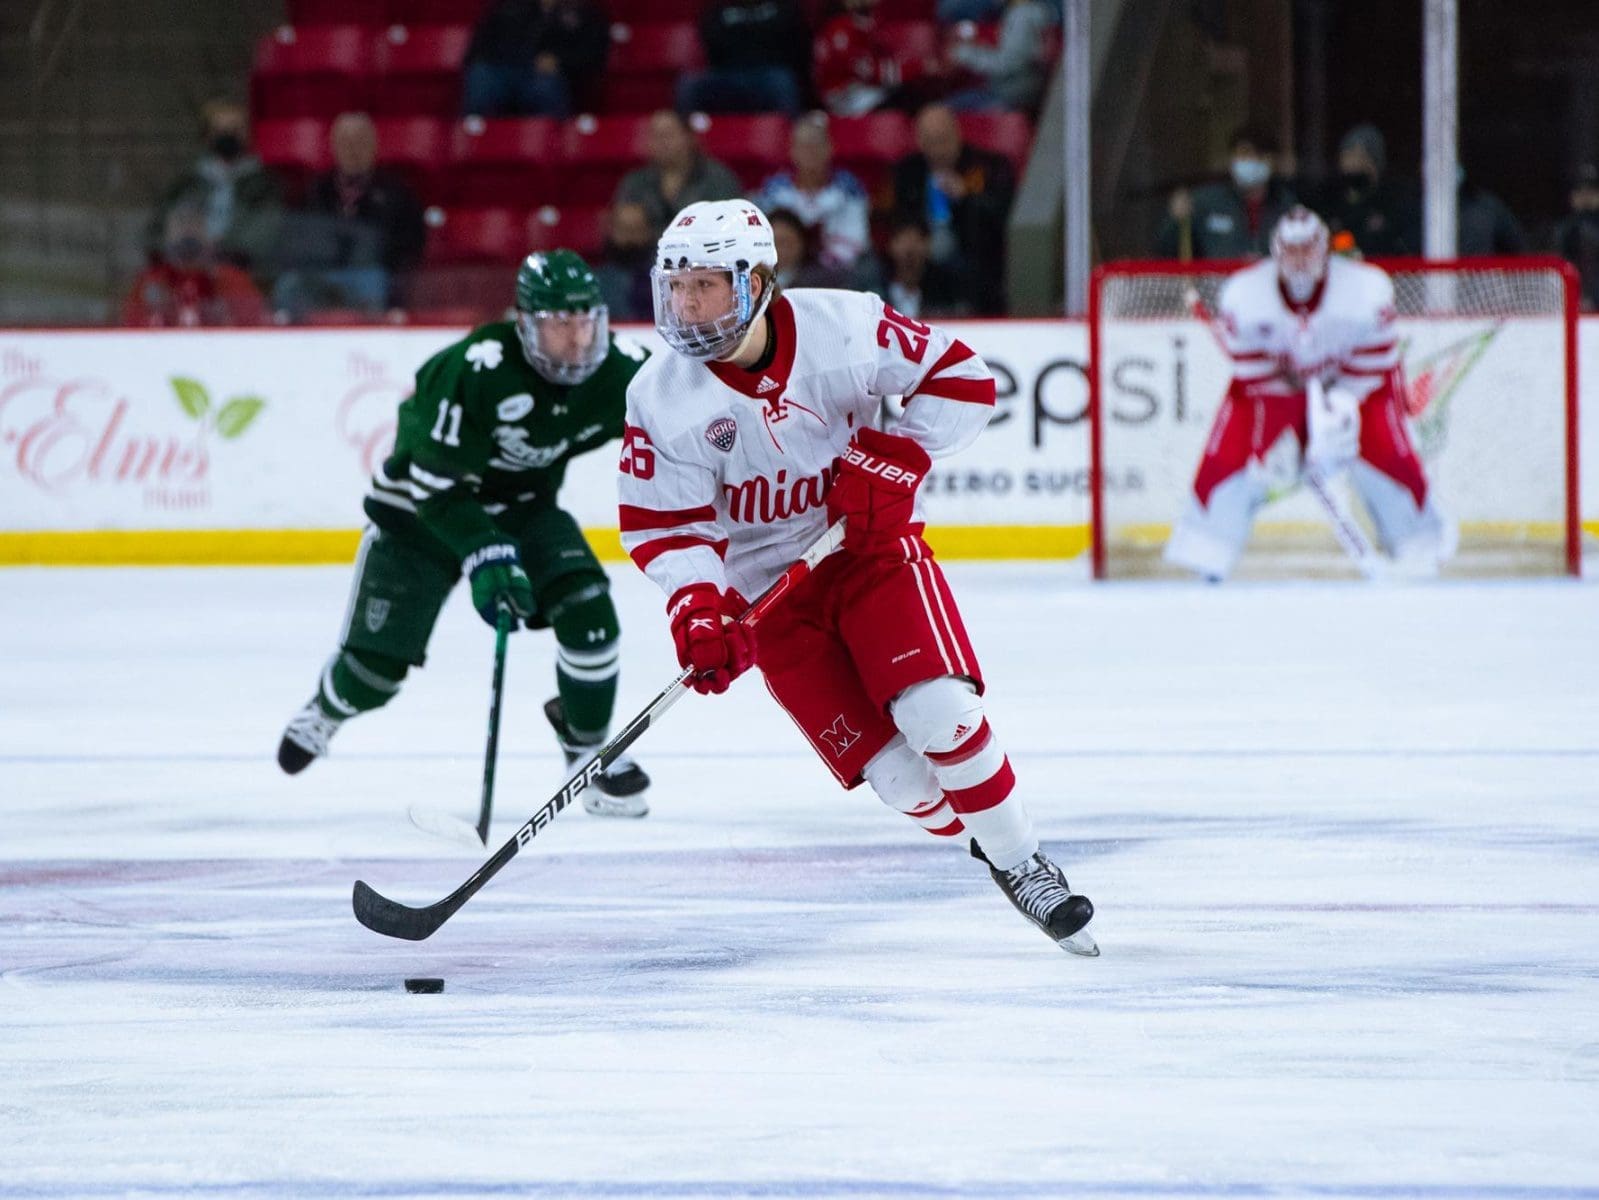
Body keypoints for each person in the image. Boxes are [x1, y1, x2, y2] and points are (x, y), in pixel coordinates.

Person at [616, 198, 1097, 954]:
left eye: (704, 285)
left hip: (870, 555)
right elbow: (664, 524)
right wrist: (698, 609)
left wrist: (897, 454)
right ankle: (981, 830)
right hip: (770, 598)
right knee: (903, 781)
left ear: (758, 282)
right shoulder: (658, 396)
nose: (684, 305)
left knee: (939, 712)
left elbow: (962, 378)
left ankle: (1023, 863)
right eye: (675, 286)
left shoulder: (843, 326)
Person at [277, 250, 653, 818]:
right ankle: (328, 708)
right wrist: (487, 556)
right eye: (559, 325)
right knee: (373, 675)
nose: (577, 341)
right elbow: (437, 489)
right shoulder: (472, 369)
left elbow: (687, 415)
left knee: (588, 609)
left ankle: (586, 752)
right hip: (419, 518)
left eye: (586, 322)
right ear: (525, 324)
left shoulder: (623, 371)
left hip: (523, 507)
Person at [1165, 207, 1454, 581]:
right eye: (1291, 249)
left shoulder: (1365, 291)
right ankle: (1206, 551)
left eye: (1308, 249)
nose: (1300, 260)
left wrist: (1342, 407)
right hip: (1275, 386)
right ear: (1275, 251)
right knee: (1226, 460)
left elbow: (1378, 358)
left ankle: (1419, 545)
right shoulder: (1245, 295)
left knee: (1391, 457)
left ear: (1325, 251)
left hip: (1357, 384)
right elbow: (1250, 368)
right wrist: (1282, 436)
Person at [272, 113, 427, 320]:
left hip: (372, 275)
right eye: (345, 141)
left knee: (374, 283)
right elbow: (295, 239)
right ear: (333, 146)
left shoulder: (396, 193)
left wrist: (382, 258)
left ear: (374, 145)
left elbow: (412, 242)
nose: (352, 148)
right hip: (321, 273)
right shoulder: (314, 190)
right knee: (289, 284)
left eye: (360, 141)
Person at [889, 104, 1015, 314]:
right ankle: (906, 314)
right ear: (920, 141)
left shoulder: (989, 166)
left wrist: (965, 196)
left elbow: (1000, 213)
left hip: (971, 248)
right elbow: (898, 214)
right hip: (925, 246)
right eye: (931, 142)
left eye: (943, 140)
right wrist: (909, 234)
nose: (939, 149)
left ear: (957, 133)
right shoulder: (907, 171)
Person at [146, 99, 283, 280]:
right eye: (220, 131)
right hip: (184, 272)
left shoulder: (263, 185)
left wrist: (219, 249)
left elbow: (264, 233)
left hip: (242, 276)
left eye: (235, 130)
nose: (228, 136)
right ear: (207, 135)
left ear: (248, 134)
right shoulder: (187, 183)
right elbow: (155, 232)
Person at [1155, 127, 1297, 261]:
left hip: (1267, 285)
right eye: (1245, 155)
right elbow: (1167, 251)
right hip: (1217, 285)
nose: (1251, 161)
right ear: (1231, 159)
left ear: (1273, 162)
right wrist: (1176, 221)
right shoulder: (1206, 202)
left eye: (1259, 156)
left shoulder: (1287, 206)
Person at [755, 113, 872, 275]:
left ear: (830, 148)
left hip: (838, 274)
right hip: (783, 273)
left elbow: (855, 241)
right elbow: (763, 240)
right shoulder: (774, 190)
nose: (810, 153)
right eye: (803, 146)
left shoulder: (849, 189)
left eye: (816, 145)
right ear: (792, 150)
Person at [122, 204, 268, 328]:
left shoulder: (234, 280)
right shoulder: (149, 283)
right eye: (180, 223)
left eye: (195, 223)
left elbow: (254, 327)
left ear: (211, 236)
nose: (187, 231)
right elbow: (132, 329)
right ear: (167, 237)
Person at [460, 0, 610, 119]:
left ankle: (548, 145)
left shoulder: (587, 14)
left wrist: (560, 61)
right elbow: (480, 44)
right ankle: (475, 142)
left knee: (547, 88)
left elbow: (593, 56)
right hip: (502, 69)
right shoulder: (509, 6)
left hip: (548, 76)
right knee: (481, 78)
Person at [611, 110, 743, 237]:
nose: (661, 142)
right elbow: (616, 236)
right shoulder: (635, 182)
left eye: (668, 135)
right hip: (643, 257)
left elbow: (732, 226)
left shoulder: (718, 178)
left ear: (689, 137)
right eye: (655, 135)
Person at [676, 0, 810, 117]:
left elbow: (795, 42)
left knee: (784, 82)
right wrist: (758, 35)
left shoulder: (782, 6)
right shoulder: (719, 7)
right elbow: (711, 40)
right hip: (727, 74)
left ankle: (795, 138)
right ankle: (686, 141)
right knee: (689, 85)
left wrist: (743, 34)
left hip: (769, 75)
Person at [812, 0, 942, 118]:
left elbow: (881, 62)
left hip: (866, 91)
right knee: (914, 104)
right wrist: (921, 67)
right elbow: (875, 73)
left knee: (917, 95)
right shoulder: (840, 32)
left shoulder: (860, 22)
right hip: (849, 102)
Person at [1320, 123, 1421, 258]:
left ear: (1374, 162)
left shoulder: (1393, 203)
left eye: (1358, 156)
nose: (1349, 163)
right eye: (1346, 156)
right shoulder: (1330, 203)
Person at [943, 0, 1055, 114]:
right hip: (1012, 90)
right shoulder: (1031, 9)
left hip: (1012, 96)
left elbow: (1007, 64)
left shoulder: (1023, 15)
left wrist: (963, 53)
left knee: (940, 113)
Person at [878, 215, 967, 319]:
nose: (910, 249)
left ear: (928, 245)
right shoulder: (876, 293)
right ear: (891, 245)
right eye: (903, 240)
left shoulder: (946, 293)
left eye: (917, 240)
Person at [591, 201, 657, 320]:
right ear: (611, 230)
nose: (629, 239)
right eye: (623, 229)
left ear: (649, 231)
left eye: (636, 230)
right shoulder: (593, 282)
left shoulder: (663, 281)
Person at [768, 206, 852, 288]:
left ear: (802, 243)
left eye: (789, 244)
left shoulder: (822, 280)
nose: (782, 250)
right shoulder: (757, 278)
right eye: (776, 243)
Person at [1553, 163, 1599, 311]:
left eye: (1591, 191)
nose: (1586, 197)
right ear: (1572, 196)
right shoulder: (1563, 230)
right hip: (1572, 305)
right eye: (1580, 191)